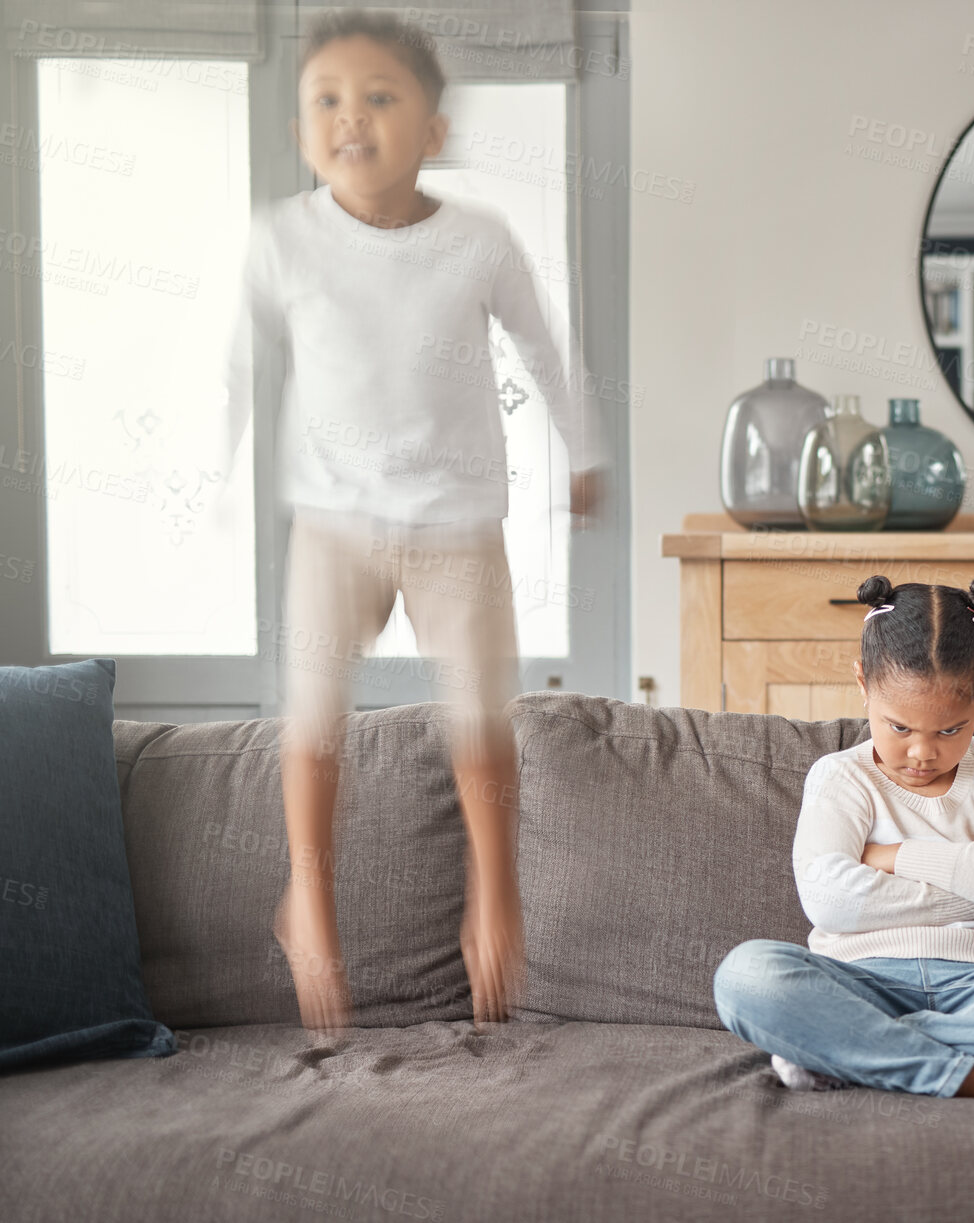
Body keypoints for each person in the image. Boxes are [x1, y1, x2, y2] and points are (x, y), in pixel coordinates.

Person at [217, 10, 604, 1031]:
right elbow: (231, 369)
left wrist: (585, 450)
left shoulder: (477, 240)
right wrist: (210, 478)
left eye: (380, 97)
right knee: (311, 719)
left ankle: (496, 893)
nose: (351, 117)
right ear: (301, 124)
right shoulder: (281, 239)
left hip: (456, 526)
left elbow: (545, 349)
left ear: (434, 129)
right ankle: (306, 893)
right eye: (327, 99)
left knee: (481, 719)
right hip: (333, 521)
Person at [713, 575, 974, 1100]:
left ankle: (854, 1056)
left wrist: (893, 857)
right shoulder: (840, 777)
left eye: (950, 730)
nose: (922, 753)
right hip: (862, 987)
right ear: (863, 684)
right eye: (899, 728)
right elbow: (829, 900)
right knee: (747, 976)